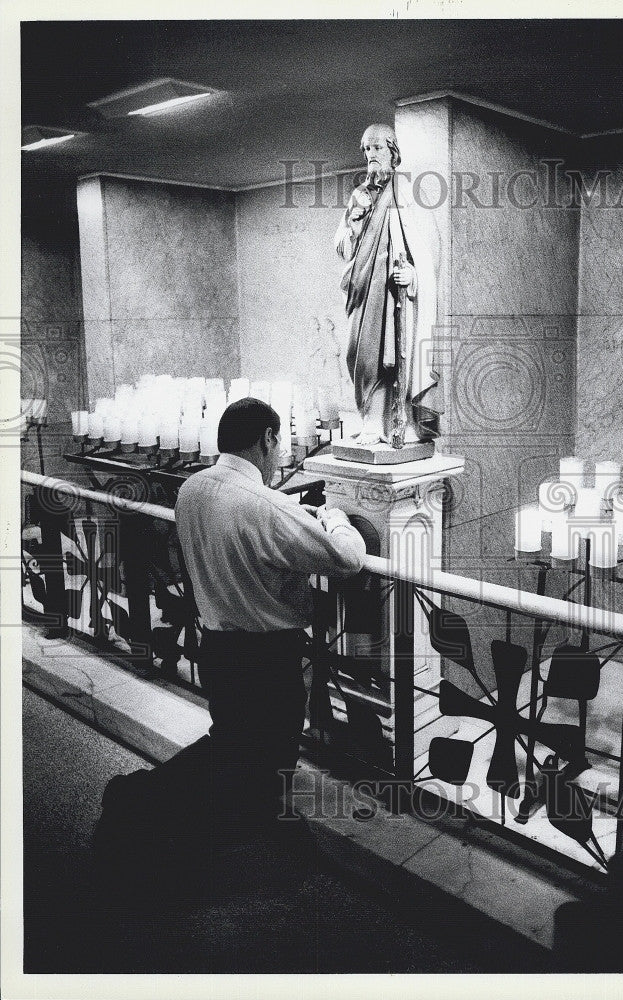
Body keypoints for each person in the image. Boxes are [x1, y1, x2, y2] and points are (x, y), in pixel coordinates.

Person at [173, 397, 367, 827]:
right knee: (269, 762)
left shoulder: (190, 490)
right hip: (267, 661)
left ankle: (218, 829)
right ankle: (251, 848)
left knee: (231, 745)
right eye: (277, 446)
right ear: (268, 438)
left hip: (216, 651)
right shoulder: (264, 505)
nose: (278, 457)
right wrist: (334, 517)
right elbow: (347, 558)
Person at [334, 122, 443, 445]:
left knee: (395, 357)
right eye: (367, 149)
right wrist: (353, 223)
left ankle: (400, 423)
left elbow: (430, 246)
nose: (371, 155)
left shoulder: (409, 191)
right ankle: (370, 420)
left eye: (377, 147)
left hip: (397, 295)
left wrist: (415, 276)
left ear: (393, 151)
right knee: (360, 354)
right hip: (365, 291)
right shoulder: (359, 195)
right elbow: (342, 247)